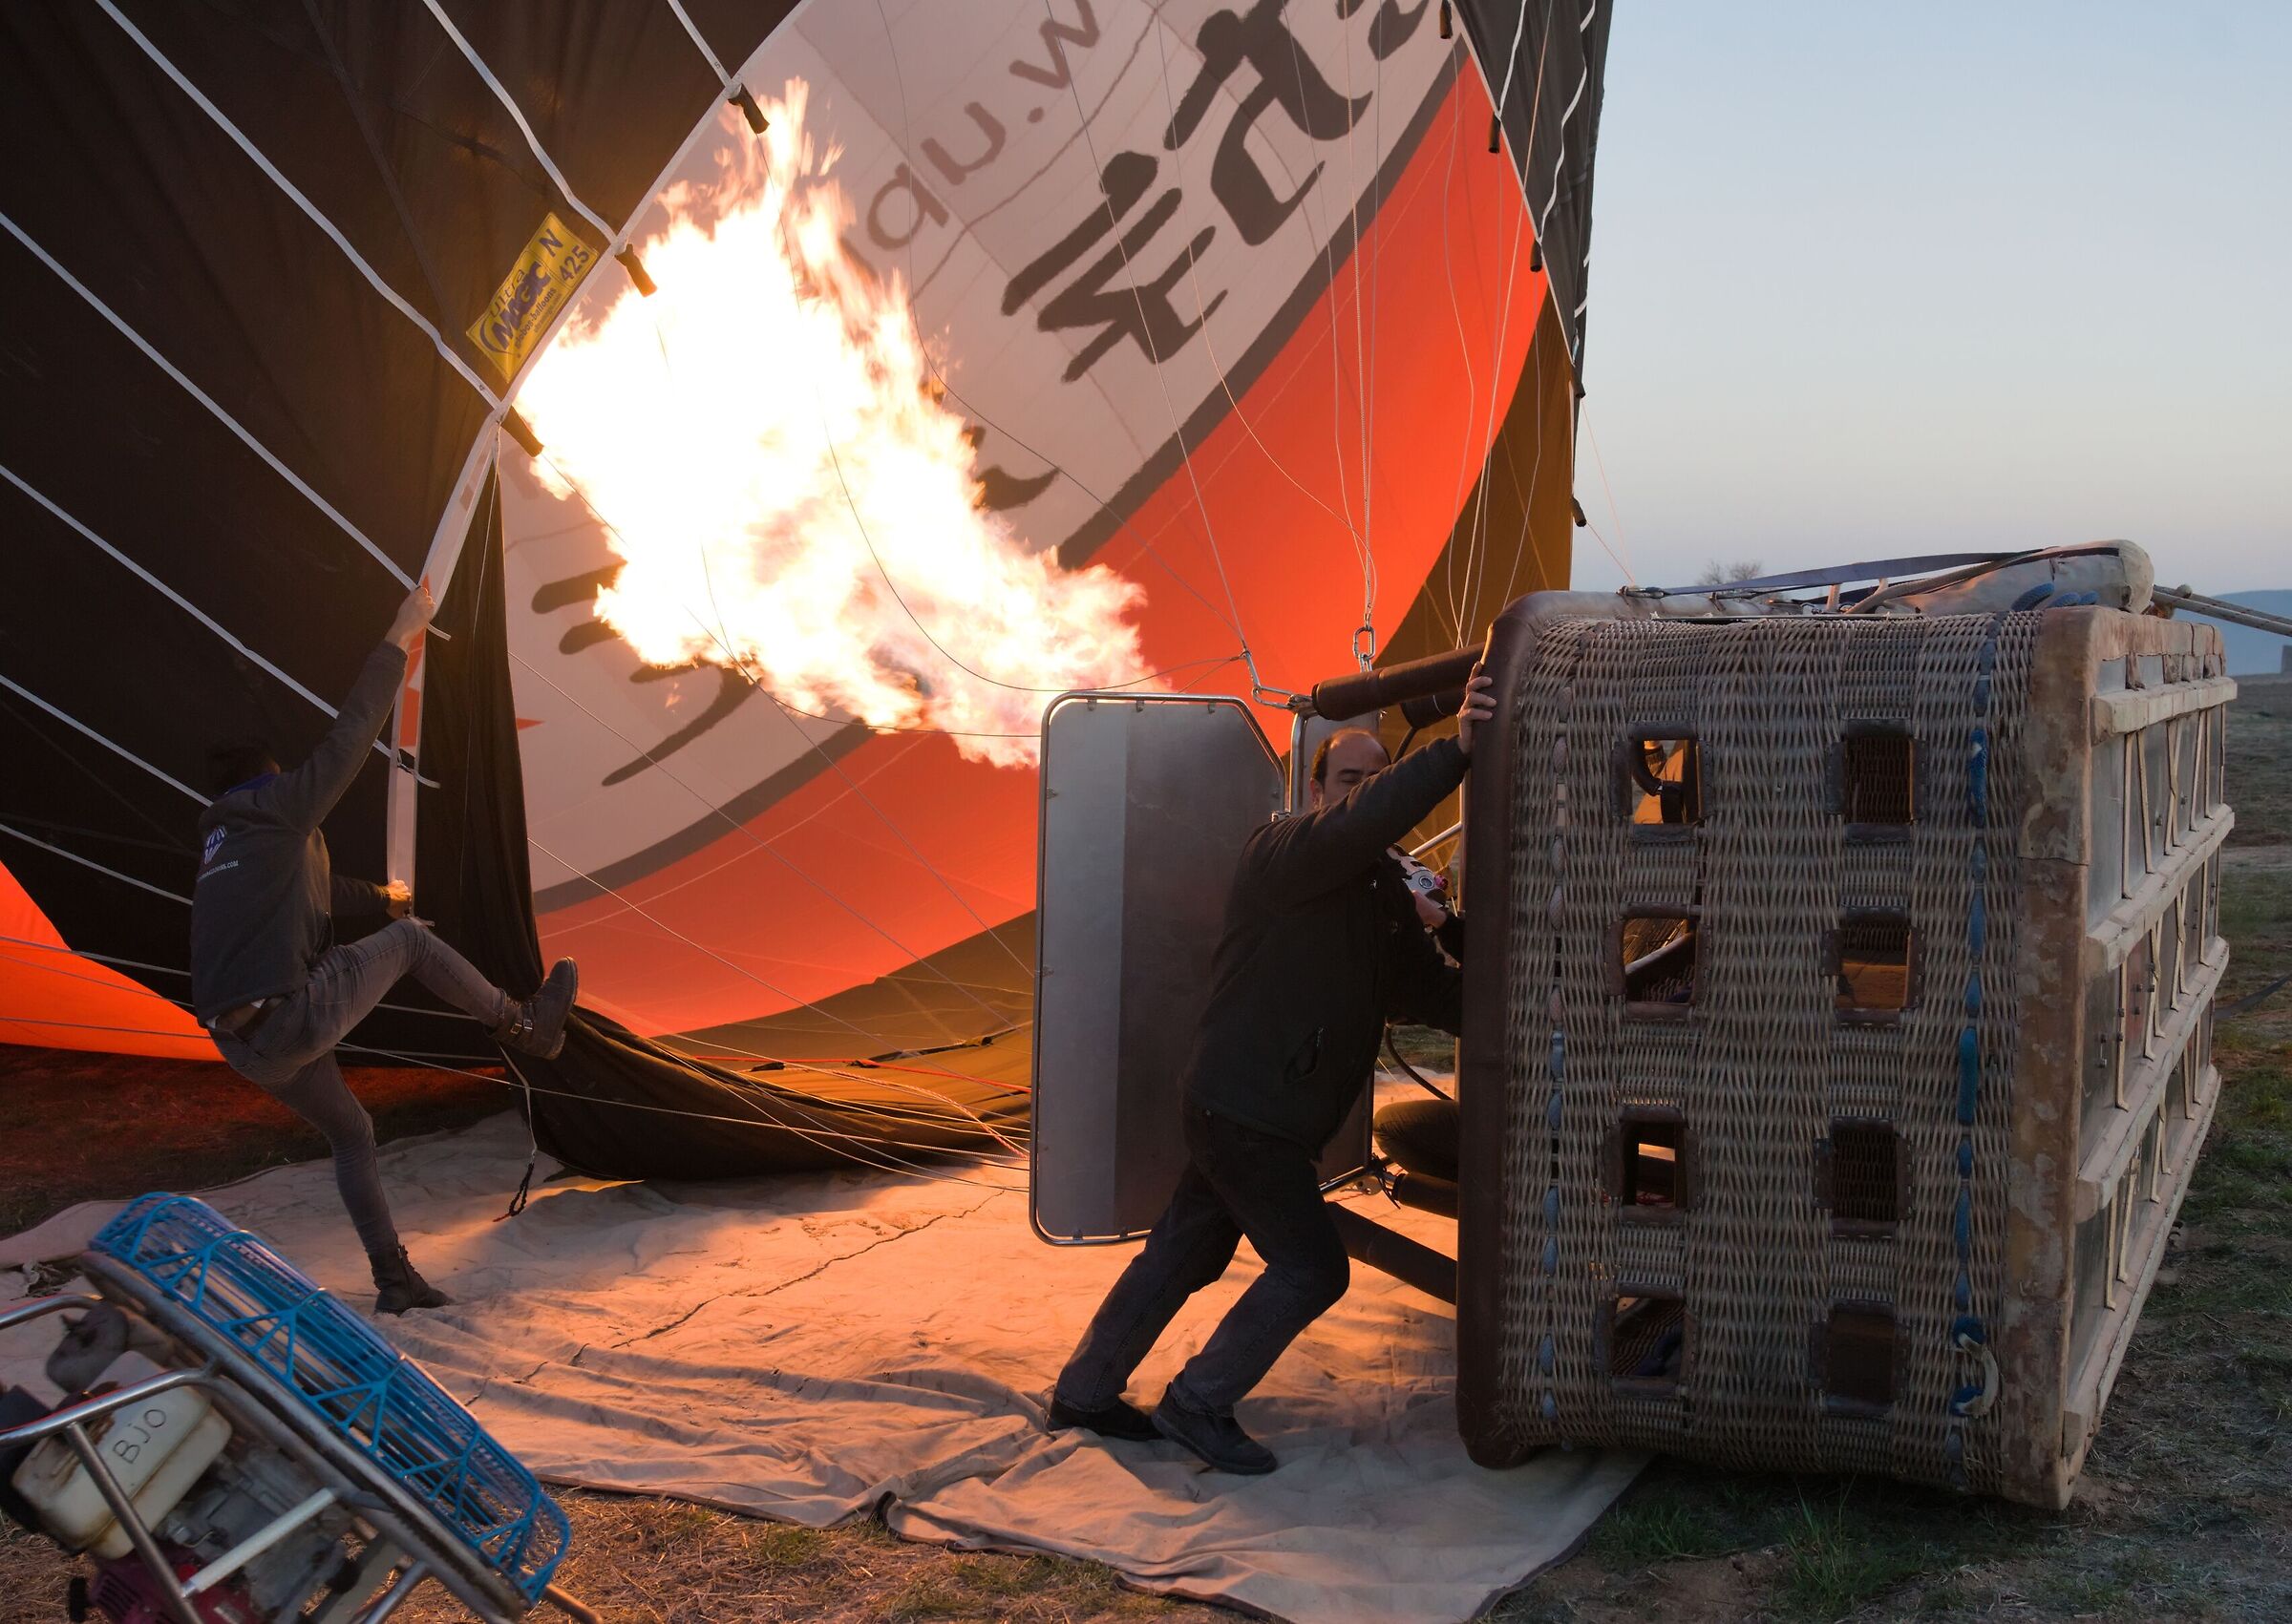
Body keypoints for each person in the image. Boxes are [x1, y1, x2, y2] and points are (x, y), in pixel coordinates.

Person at [1047, 672, 1496, 1474]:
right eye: (1351, 779)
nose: (1365, 792)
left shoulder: (1381, 897)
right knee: (1312, 1266)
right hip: (1246, 1109)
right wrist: (1454, 751)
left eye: (1373, 775)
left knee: (1182, 1253)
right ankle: (1198, 1402)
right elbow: (1367, 821)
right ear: (1317, 790)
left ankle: (1084, 1390)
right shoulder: (1283, 850)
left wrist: (1473, 951)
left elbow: (1432, 992)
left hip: (1255, 1109)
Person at [191, 584, 577, 1315]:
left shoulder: (225, 840)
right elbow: (349, 739)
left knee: (354, 1130)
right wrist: (401, 633)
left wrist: (384, 895)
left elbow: (321, 894)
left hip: (245, 1045)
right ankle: (526, 1025)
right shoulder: (274, 808)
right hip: (288, 1014)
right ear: (270, 780)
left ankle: (394, 1278)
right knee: (405, 945)